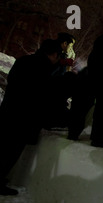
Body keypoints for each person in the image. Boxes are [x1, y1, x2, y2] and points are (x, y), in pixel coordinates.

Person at [0, 39, 62, 195]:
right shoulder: (44, 69)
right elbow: (42, 98)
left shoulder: (24, 60)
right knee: (10, 152)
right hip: (24, 119)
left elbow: (11, 80)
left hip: (8, 111)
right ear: (54, 54)